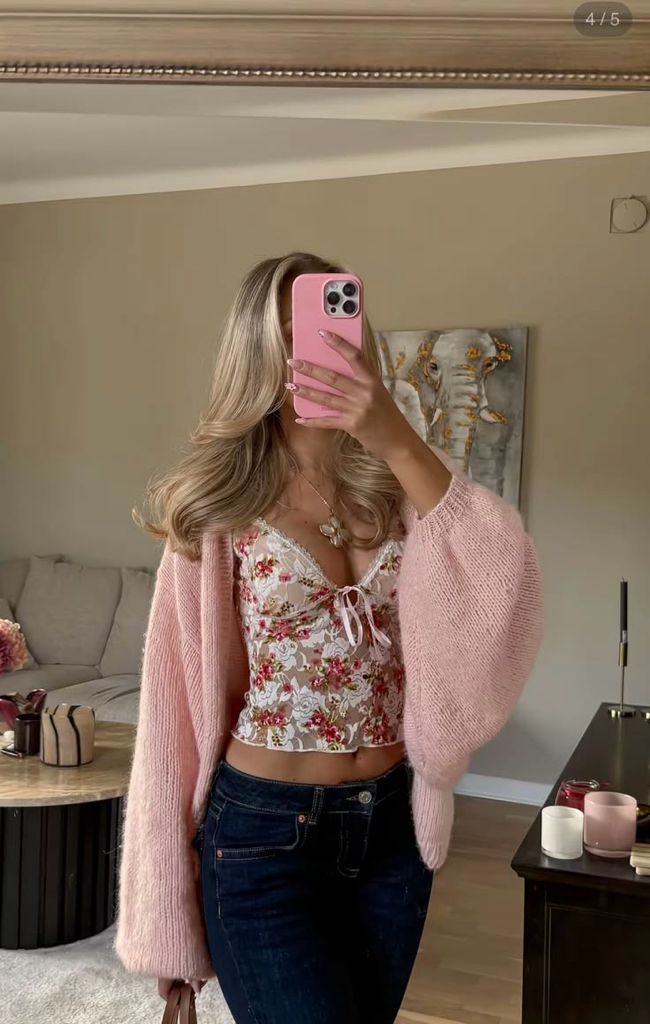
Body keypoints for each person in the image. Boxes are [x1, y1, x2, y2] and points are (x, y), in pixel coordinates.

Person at [115, 252, 543, 1024]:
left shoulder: (402, 485)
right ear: (255, 352)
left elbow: (503, 580)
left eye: (326, 328)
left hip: (393, 829)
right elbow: (174, 713)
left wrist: (398, 439)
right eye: (286, 335)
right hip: (261, 833)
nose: (310, 351)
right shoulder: (219, 504)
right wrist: (166, 920)